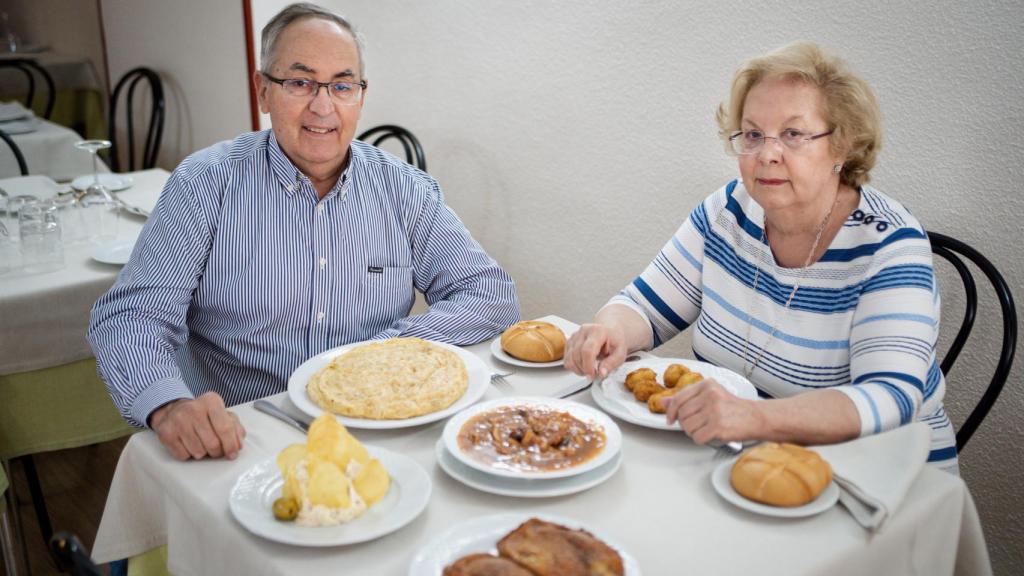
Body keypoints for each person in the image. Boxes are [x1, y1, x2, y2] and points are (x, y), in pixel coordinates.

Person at [88, 3, 519, 461]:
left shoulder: (403, 188)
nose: (323, 105)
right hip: (243, 431)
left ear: (360, 95)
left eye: (342, 85)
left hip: (380, 425)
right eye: (299, 82)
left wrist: (383, 351)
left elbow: (488, 293)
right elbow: (132, 317)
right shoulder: (205, 184)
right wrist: (169, 404)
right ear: (262, 91)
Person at [565, 42, 957, 473]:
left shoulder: (890, 247)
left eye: (793, 134)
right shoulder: (727, 211)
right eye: (753, 135)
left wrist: (753, 418)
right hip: (745, 456)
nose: (767, 153)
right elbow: (644, 306)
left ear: (842, 145)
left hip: (875, 477)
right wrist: (607, 330)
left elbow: (892, 397)